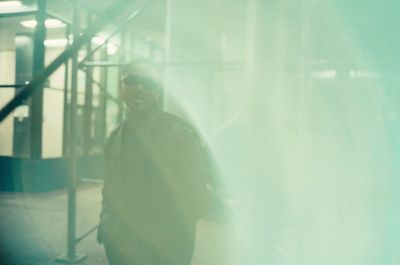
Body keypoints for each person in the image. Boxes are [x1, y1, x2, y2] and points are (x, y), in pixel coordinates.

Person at [97, 59, 210, 265]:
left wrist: (173, 239)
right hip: (120, 243)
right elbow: (110, 187)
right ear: (121, 88)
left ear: (157, 91)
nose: (139, 88)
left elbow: (196, 194)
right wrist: (106, 226)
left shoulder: (179, 133)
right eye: (131, 81)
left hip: (164, 246)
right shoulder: (114, 137)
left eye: (148, 83)